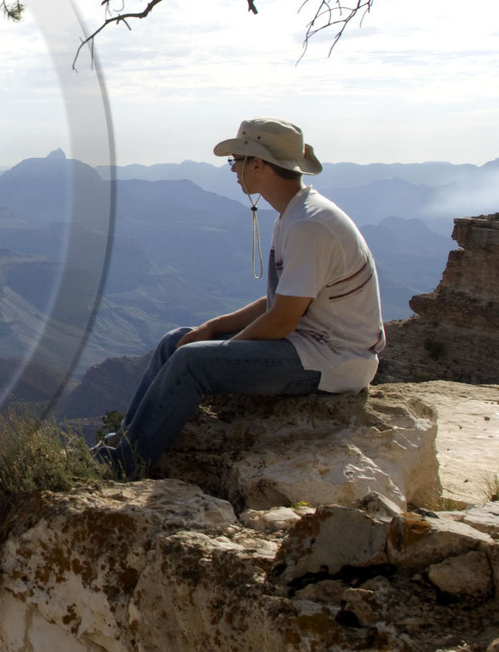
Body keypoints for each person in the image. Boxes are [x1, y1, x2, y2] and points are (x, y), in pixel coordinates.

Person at [95, 118, 385, 475]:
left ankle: (125, 466)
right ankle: (120, 442)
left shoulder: (310, 225)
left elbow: (282, 320)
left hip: (334, 360)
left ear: (258, 164)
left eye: (236, 160)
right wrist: (212, 328)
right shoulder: (294, 215)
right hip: (306, 343)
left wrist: (224, 352)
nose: (232, 169)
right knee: (175, 342)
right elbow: (280, 302)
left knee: (192, 362)